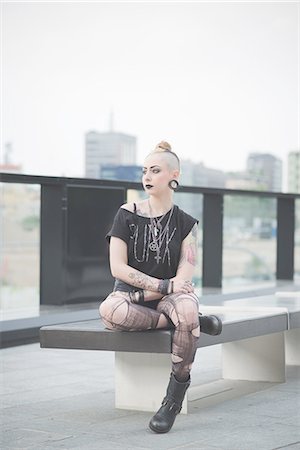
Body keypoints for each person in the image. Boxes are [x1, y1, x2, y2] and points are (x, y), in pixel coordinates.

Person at [99, 141, 222, 433]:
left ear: (173, 175)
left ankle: (172, 400)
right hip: (128, 297)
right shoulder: (126, 213)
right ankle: (189, 322)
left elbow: (185, 278)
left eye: (155, 170)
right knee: (109, 311)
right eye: (145, 171)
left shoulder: (187, 223)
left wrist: (166, 290)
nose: (147, 176)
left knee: (188, 307)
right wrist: (164, 286)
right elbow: (118, 269)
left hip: (165, 297)